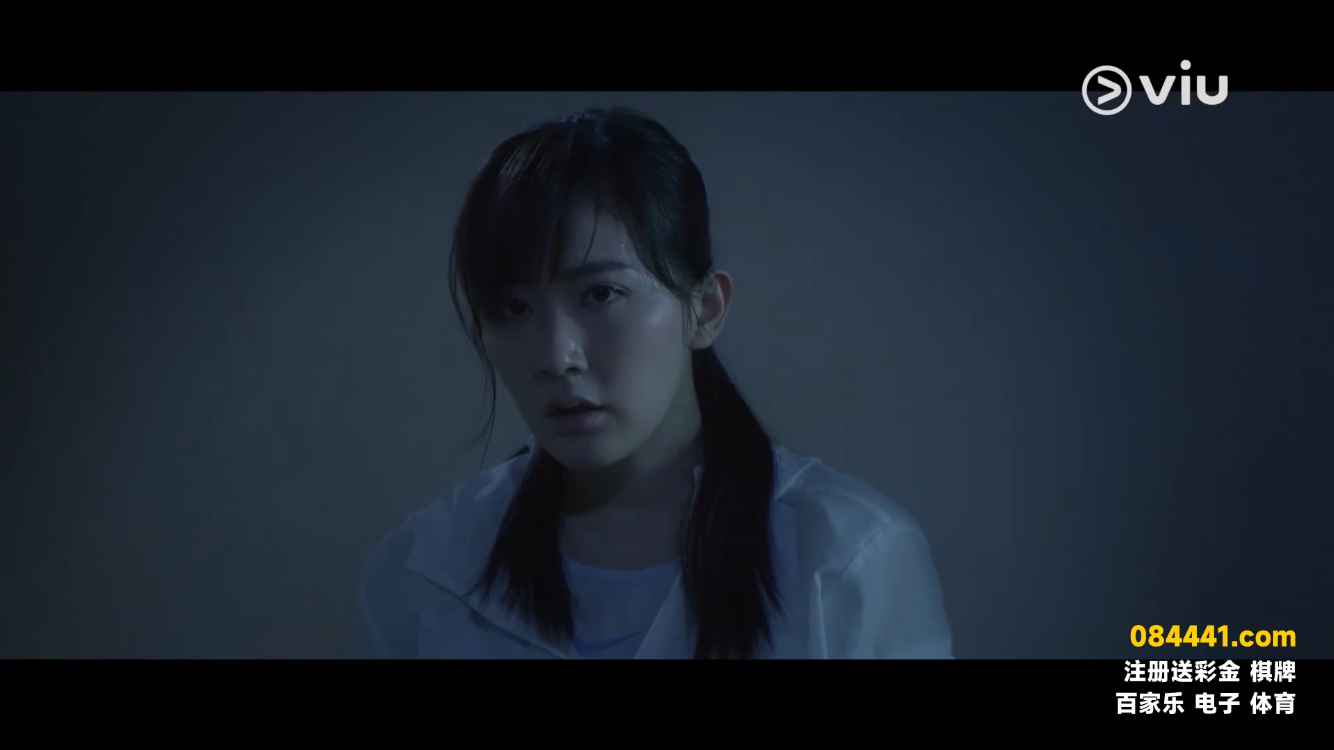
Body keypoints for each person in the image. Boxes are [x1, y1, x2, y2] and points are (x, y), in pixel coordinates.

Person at [354, 107, 952, 659]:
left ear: (706, 309)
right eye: (513, 308)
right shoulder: (424, 571)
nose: (557, 356)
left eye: (601, 294)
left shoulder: (848, 560)